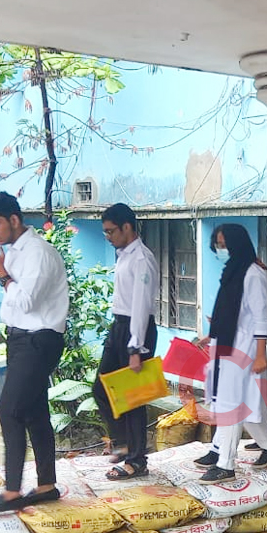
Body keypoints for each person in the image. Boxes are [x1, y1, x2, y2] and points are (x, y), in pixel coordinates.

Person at [0, 193, 68, 510]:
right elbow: (14, 303)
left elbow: (27, 301)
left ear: (14, 219)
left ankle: (12, 492)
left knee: (10, 410)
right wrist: (4, 269)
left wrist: (1, 271)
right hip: (19, 338)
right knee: (34, 411)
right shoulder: (14, 252)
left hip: (39, 340)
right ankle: (46, 485)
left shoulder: (38, 253)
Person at [192, 225, 267, 482]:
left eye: (224, 244)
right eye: (218, 245)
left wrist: (261, 355)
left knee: (232, 403)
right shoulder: (232, 271)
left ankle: (226, 464)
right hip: (226, 343)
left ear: (237, 243)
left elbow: (261, 318)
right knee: (238, 401)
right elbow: (229, 311)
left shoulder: (253, 274)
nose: (220, 250)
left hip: (244, 347)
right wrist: (213, 333)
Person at [92, 203, 158, 481]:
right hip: (119, 325)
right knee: (101, 387)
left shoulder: (141, 258)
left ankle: (136, 460)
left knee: (133, 399)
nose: (107, 237)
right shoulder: (124, 255)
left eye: (111, 231)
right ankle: (124, 443)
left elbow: (142, 306)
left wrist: (136, 347)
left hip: (136, 329)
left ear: (127, 227)